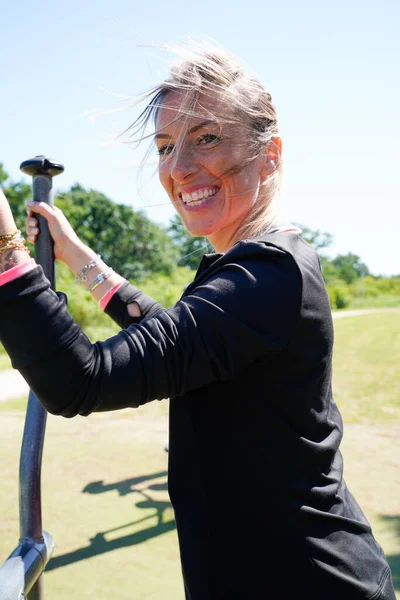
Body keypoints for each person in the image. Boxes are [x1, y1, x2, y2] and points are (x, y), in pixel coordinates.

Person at [0, 47, 396, 600]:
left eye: (206, 138)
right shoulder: (254, 265)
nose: (179, 167)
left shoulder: (267, 275)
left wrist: (6, 256)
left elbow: (80, 379)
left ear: (270, 154)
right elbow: (181, 340)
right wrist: (78, 256)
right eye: (165, 146)